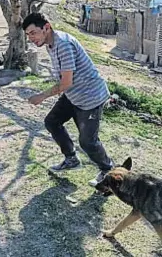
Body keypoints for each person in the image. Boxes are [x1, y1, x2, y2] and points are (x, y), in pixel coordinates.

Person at [22, 12, 114, 186]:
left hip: (90, 97)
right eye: (28, 35)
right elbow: (66, 80)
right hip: (73, 94)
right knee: (52, 121)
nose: (31, 38)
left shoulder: (63, 44)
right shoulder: (50, 44)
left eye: (33, 33)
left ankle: (108, 170)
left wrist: (42, 96)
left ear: (46, 27)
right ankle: (71, 159)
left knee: (88, 142)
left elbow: (65, 83)